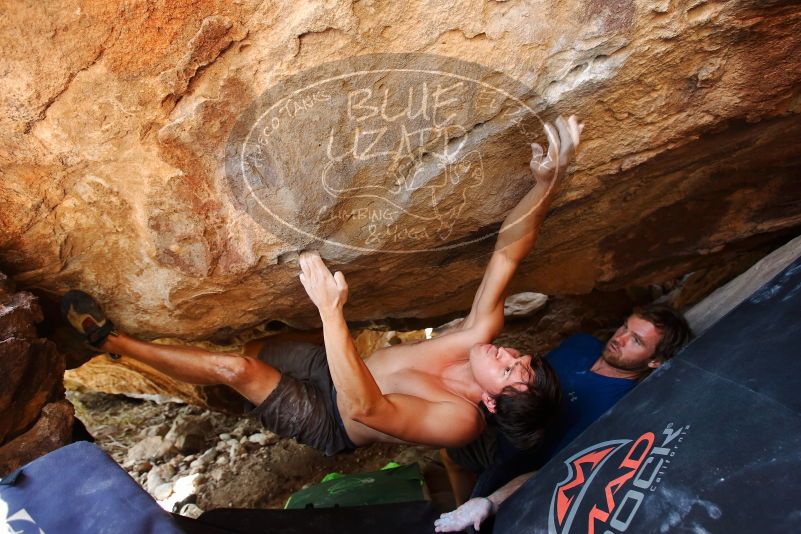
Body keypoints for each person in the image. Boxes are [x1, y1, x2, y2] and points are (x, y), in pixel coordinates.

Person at [61, 116, 583, 456]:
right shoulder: (478, 337)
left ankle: (111, 343)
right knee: (254, 350)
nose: (510, 355)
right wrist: (545, 184)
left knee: (236, 368)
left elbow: (366, 410)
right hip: (337, 367)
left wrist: (331, 313)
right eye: (522, 359)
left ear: (492, 404)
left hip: (331, 417)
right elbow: (507, 254)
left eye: (510, 373)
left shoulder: (459, 422)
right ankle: (221, 390)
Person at [434, 303, 692, 532]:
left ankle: (464, 506)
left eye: (635, 340)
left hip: (515, 468)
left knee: (472, 503)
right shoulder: (580, 343)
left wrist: (490, 501)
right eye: (625, 326)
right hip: (497, 426)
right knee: (450, 453)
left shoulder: (624, 409)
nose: (619, 338)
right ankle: (458, 500)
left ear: (655, 362)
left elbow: (560, 469)